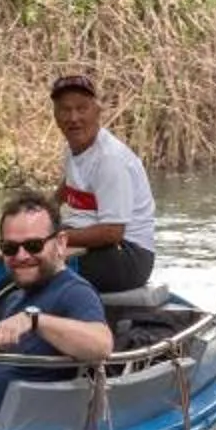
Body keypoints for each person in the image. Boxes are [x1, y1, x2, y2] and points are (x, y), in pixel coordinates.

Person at [0, 192, 113, 417]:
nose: (21, 255)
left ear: (60, 243)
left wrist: (35, 320)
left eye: (34, 245)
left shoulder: (73, 292)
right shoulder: (14, 300)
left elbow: (101, 345)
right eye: (10, 248)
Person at [48, 71, 157, 294]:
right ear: (55, 115)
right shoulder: (73, 149)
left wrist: (52, 240)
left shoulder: (110, 159)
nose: (73, 118)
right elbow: (65, 189)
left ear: (97, 111)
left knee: (36, 265)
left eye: (81, 108)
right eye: (65, 110)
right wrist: (38, 216)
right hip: (96, 244)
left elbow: (112, 232)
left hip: (128, 256)